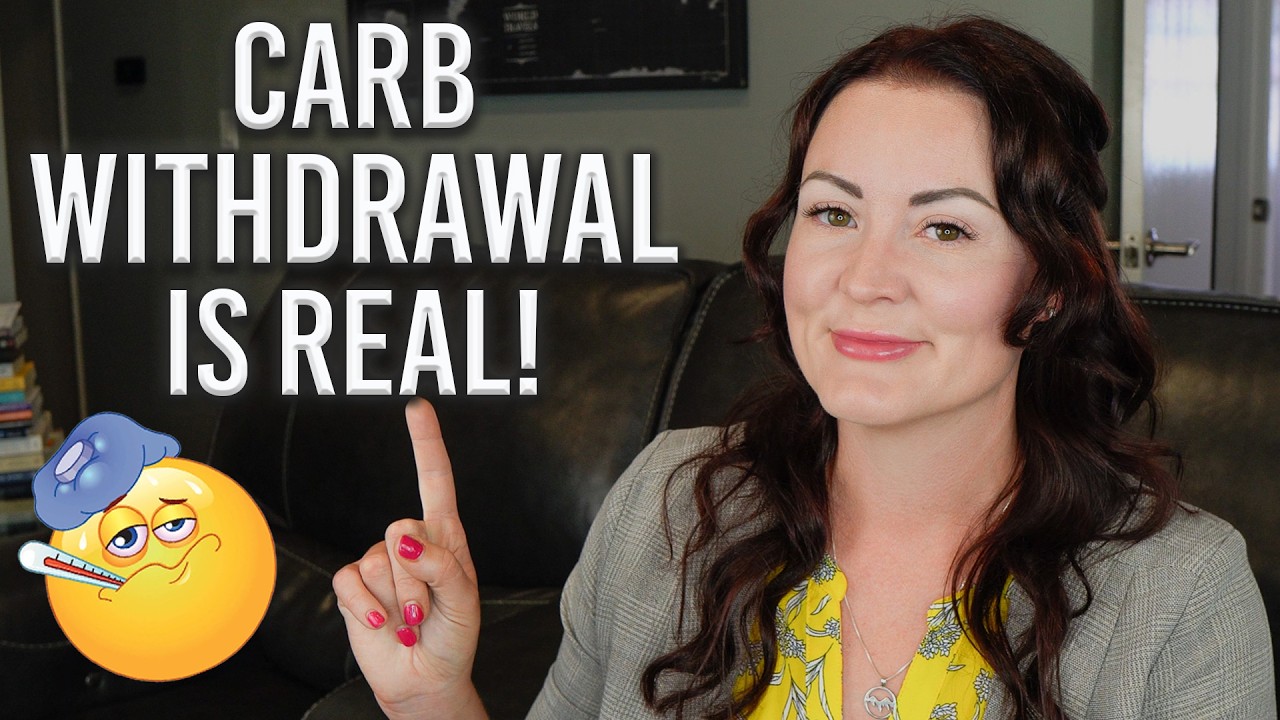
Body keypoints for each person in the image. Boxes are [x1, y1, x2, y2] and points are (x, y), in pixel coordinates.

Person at [332, 16, 1276, 720]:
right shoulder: (668, 502)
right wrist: (431, 698)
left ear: (1051, 289)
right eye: (833, 213)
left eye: (945, 228)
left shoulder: (1181, 593)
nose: (865, 279)